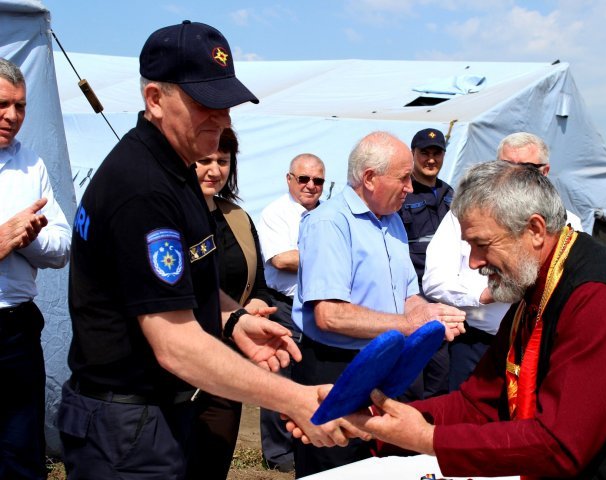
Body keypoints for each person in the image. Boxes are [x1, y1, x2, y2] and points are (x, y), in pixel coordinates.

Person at [57, 21, 354, 480]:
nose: (222, 119)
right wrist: (292, 398)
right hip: (126, 424)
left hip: (157, 414)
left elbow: (183, 285)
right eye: (204, 103)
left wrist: (233, 319)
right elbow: (176, 345)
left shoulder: (178, 175)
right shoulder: (144, 188)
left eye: (228, 104)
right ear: (155, 100)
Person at [345, 161, 606, 479]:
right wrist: (374, 419)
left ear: (536, 230)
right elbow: (481, 404)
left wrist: (428, 441)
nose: (474, 263)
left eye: (482, 244)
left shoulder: (601, 300)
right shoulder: (538, 290)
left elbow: (560, 444)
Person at [290, 131, 466, 477]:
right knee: (335, 468)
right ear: (370, 178)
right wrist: (410, 324)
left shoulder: (393, 220)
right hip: (334, 369)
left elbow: (408, 296)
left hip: (386, 367)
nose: (411, 187)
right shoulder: (329, 223)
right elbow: (330, 315)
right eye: (403, 178)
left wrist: (431, 317)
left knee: (378, 467)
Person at [423, 132, 583, 391]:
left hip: (536, 349)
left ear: (545, 172)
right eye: (506, 167)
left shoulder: (569, 223)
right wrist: (484, 294)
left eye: (527, 169)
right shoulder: (463, 215)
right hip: (476, 346)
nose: (514, 176)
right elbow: (434, 281)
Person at [185, 127, 276, 479]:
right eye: (204, 160)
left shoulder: (238, 218)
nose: (214, 170)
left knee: (214, 460)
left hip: (226, 365)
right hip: (179, 363)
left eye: (223, 161)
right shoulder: (167, 215)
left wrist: (254, 305)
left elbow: (261, 286)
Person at [0, 57, 71, 480]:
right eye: (2, 103)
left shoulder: (32, 164)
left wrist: (26, 238)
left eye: (21, 106)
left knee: (21, 451)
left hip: (16, 328)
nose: (12, 116)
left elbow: (61, 248)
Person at [257, 152, 326, 472]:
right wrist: (331, 256)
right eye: (304, 179)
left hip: (320, 306)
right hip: (285, 305)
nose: (311, 186)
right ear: (289, 180)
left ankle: (306, 444)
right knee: (280, 377)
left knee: (313, 376)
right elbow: (281, 260)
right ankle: (278, 454)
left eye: (318, 180)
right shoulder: (276, 213)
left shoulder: (328, 214)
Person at [398, 128, 454, 400]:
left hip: (444, 301)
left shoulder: (450, 194)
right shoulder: (401, 195)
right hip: (411, 300)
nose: (431, 160)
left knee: (440, 379)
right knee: (410, 383)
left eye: (436, 153)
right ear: (413, 155)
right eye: (424, 153)